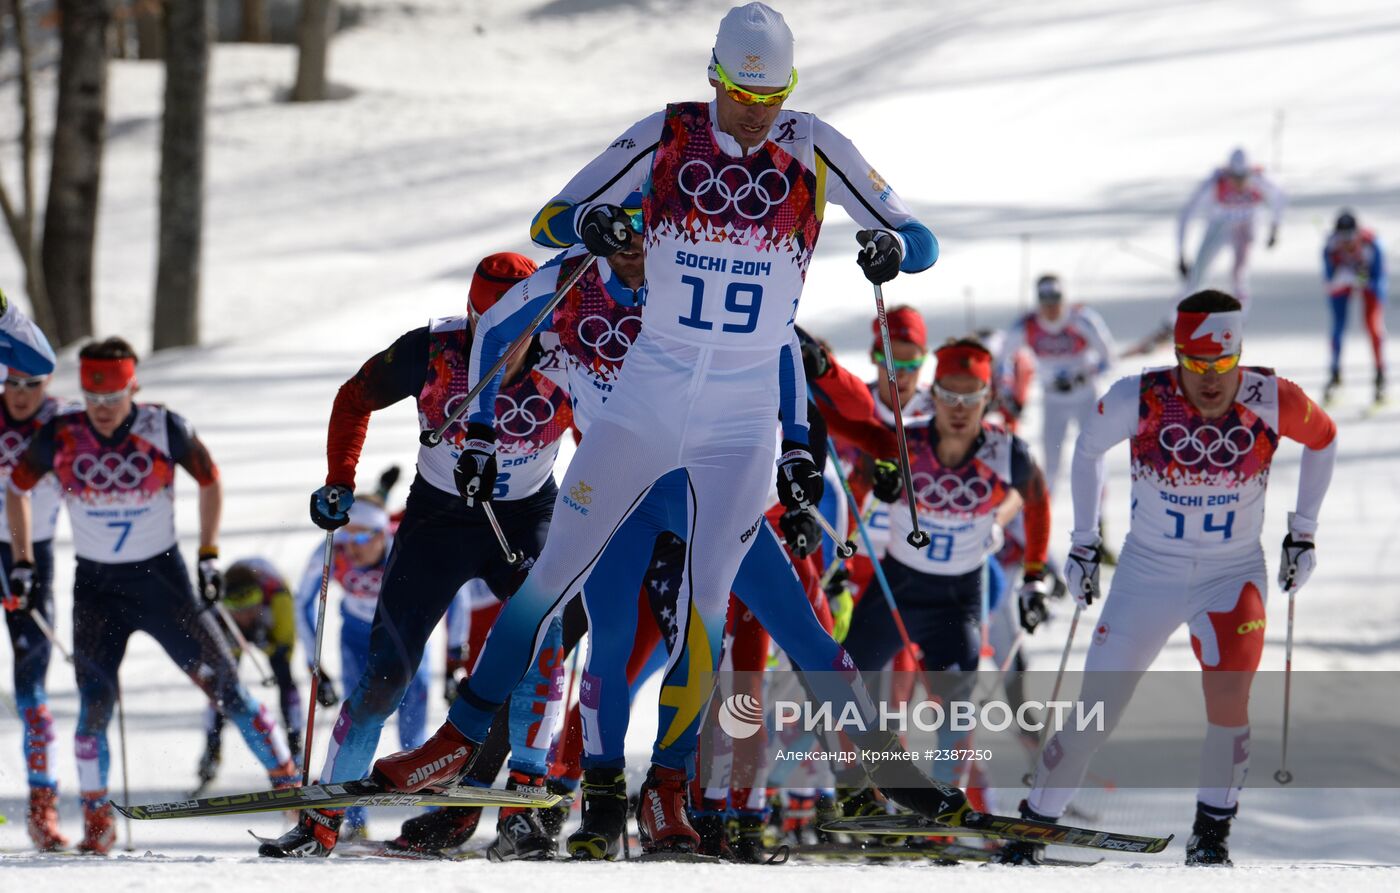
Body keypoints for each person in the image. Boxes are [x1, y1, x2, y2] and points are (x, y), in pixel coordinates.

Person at [372, 0, 965, 854]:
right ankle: (456, 743)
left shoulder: (813, 142)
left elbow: (921, 237)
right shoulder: (667, 132)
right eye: (741, 94)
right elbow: (550, 221)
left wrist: (894, 250)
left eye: (772, 96)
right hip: (643, 405)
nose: (756, 114)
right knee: (549, 579)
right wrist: (596, 224)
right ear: (714, 77)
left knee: (711, 613)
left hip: (737, 425)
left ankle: (724, 783)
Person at [1001, 290, 1337, 866]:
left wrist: (1302, 532)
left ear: (1239, 355)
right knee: (1095, 712)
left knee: (1228, 703)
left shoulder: (1271, 398)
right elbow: (1086, 452)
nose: (1209, 380)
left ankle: (1210, 839)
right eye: (1195, 364)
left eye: (1222, 364)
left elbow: (1324, 439)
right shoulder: (1143, 396)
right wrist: (1084, 542)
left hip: (1232, 576)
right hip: (1147, 573)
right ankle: (1033, 830)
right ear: (1179, 354)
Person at [259, 253, 571, 859]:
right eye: (487, 323)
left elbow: (607, 433)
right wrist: (340, 480)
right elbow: (353, 399)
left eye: (519, 325)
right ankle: (324, 816)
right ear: (472, 314)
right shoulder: (431, 349)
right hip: (438, 521)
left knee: (546, 641)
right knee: (385, 676)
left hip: (527, 518)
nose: (503, 341)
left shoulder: (569, 353)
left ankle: (528, 805)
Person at [5, 337, 297, 855]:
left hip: (164, 584)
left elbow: (209, 478)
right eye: (93, 401)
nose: (101, 412)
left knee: (226, 686)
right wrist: (24, 560)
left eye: (112, 400)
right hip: (96, 589)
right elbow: (17, 488)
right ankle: (98, 818)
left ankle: (290, 788)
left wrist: (209, 551)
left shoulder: (163, 426)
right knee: (94, 707)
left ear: (132, 388)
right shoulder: (62, 432)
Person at [818, 338, 1052, 793]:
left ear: (987, 398)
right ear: (934, 393)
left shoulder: (1008, 453)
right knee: (843, 683)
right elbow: (859, 485)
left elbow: (1038, 505)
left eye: (971, 397)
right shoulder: (904, 442)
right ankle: (854, 789)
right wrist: (843, 553)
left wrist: (1036, 577)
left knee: (957, 707)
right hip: (898, 590)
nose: (959, 409)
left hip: (959, 599)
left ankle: (946, 807)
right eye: (949, 395)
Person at [293, 493, 429, 838]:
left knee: (414, 733)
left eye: (363, 537)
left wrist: (458, 651)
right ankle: (353, 822)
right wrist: (317, 667)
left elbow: (455, 594)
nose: (351, 547)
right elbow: (302, 604)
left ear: (382, 533)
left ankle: (435, 815)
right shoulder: (332, 552)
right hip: (358, 642)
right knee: (357, 725)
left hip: (404, 639)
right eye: (347, 536)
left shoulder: (406, 546)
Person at [1, 360, 66, 850]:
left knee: (31, 685)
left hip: (32, 556)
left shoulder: (63, 419)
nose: (20, 394)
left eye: (31, 385)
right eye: (11, 384)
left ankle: (42, 803)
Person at [996, 274, 1115, 495]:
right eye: (1046, 302)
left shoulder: (1081, 319)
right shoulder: (1027, 324)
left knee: (1093, 455)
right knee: (1051, 461)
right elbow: (1003, 360)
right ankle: (1045, 515)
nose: (1052, 308)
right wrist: (1007, 390)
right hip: (1053, 400)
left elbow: (1108, 357)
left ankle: (1100, 513)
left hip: (1085, 396)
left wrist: (1088, 373)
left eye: (1056, 300)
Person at [196, 558, 306, 795]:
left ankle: (295, 749)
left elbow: (284, 650)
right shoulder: (221, 613)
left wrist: (264, 643)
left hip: (271, 611)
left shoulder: (278, 599)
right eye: (239, 611)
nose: (245, 616)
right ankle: (211, 751)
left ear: (259, 601)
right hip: (232, 622)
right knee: (222, 687)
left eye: (250, 609)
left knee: (284, 677)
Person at [1176, 147, 1285, 315]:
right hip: (1220, 226)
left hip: (1246, 226)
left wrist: (1274, 229)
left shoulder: (1259, 180)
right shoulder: (1215, 182)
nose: (1239, 183)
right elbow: (1187, 213)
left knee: (1239, 274)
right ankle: (1182, 317)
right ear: (1228, 172)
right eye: (1235, 177)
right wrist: (1181, 253)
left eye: (1243, 177)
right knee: (1198, 272)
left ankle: (1238, 321)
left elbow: (1279, 197)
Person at [1321, 209, 1386, 404]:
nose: (1348, 243)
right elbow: (1329, 281)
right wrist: (1345, 277)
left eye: (1351, 237)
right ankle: (1335, 374)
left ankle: (1380, 374)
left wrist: (1365, 282)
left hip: (1368, 284)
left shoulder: (1372, 245)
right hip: (1343, 283)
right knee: (1338, 326)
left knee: (1373, 326)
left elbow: (1379, 282)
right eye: (1343, 238)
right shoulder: (1330, 247)